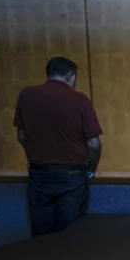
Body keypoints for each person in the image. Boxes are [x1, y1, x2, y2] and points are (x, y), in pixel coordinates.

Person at [13, 57, 102, 236]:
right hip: (72, 174)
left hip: (38, 174)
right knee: (70, 234)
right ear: (70, 76)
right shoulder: (79, 99)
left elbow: (21, 136)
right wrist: (91, 169)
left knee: (41, 234)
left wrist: (38, 152)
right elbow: (93, 144)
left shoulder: (26, 95)